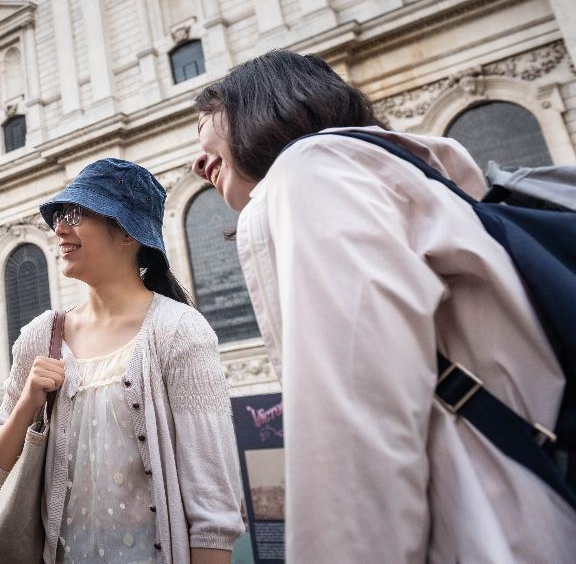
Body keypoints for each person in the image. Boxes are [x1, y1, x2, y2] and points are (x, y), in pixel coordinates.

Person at [191, 49, 576, 562]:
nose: (197, 164)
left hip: (487, 531)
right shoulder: (402, 175)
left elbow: (356, 418)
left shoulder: (314, 170)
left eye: (204, 128)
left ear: (263, 105)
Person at [0, 158, 243, 564]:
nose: (60, 229)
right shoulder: (40, 336)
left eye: (75, 214)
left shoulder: (179, 330)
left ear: (125, 231)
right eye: (60, 217)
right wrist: (27, 404)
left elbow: (212, 504)